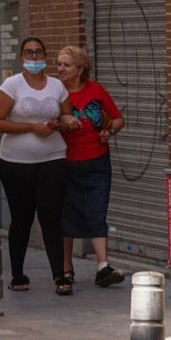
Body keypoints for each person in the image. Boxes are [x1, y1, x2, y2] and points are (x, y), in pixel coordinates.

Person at [0, 37, 73, 295]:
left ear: (44, 56)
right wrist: (30, 127)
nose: (34, 58)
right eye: (29, 53)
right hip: (16, 163)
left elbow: (66, 115)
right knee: (22, 218)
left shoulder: (57, 85)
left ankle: (60, 276)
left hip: (53, 158)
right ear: (21, 57)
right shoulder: (11, 85)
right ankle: (17, 273)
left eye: (38, 53)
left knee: (51, 217)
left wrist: (59, 124)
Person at [52, 45, 127, 288]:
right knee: (66, 215)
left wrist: (109, 131)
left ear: (80, 69)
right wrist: (61, 123)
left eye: (66, 65)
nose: (60, 69)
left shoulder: (96, 90)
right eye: (59, 64)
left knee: (97, 211)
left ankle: (103, 267)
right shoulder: (54, 92)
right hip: (65, 161)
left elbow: (117, 117)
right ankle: (66, 268)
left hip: (97, 160)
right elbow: (45, 123)